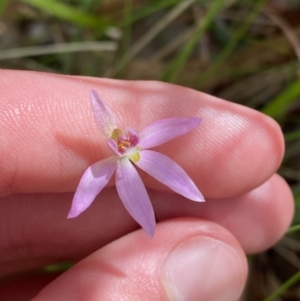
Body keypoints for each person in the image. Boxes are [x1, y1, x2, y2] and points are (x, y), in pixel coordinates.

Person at [0, 69, 294, 301]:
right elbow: (84, 195)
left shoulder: (146, 145)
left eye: (125, 138)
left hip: (141, 162)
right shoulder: (100, 171)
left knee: (181, 190)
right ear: (112, 141)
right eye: (118, 140)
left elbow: (182, 137)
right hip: (124, 170)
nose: (123, 141)